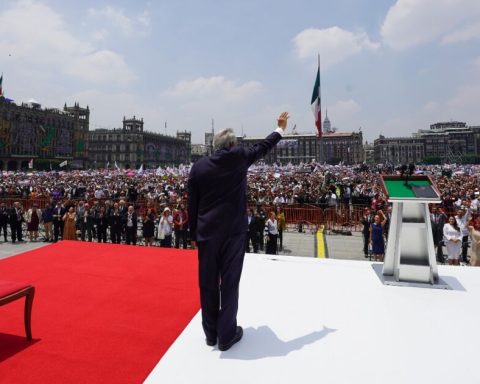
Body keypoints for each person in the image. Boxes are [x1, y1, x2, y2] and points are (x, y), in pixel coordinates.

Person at [188, 111, 289, 351]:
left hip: (206, 234)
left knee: (207, 284)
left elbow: (191, 205)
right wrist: (280, 128)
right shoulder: (239, 158)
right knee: (230, 283)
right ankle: (226, 335)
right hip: (233, 233)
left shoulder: (198, 167)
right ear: (232, 144)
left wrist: (193, 235)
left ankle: (211, 334)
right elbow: (264, 146)